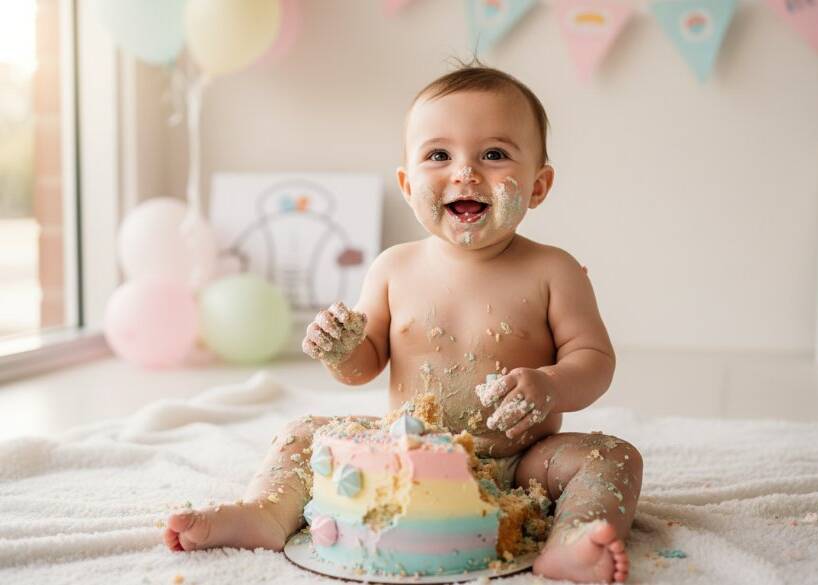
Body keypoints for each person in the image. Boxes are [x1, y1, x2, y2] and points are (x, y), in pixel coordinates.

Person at [165, 64, 642, 584]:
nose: (465, 172)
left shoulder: (554, 270)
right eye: (439, 155)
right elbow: (362, 368)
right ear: (406, 183)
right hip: (405, 448)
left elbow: (594, 361)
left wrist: (550, 385)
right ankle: (264, 513)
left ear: (538, 185)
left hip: (523, 461)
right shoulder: (394, 268)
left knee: (611, 457)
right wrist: (343, 349)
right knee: (304, 433)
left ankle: (574, 538)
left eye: (494, 154)